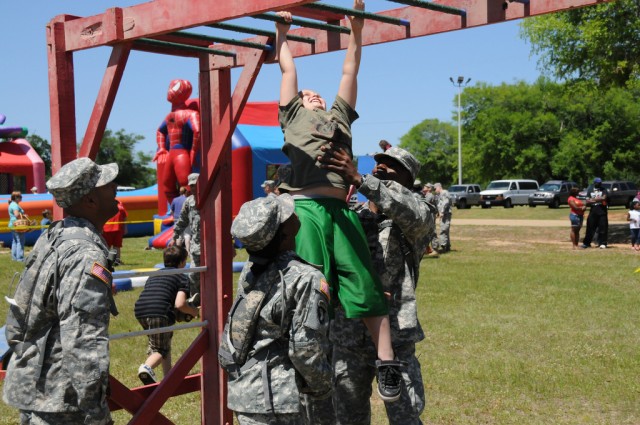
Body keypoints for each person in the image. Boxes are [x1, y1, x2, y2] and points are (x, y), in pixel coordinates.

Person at [275, 1, 404, 401]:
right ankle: (305, 364)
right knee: (311, 287)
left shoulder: (340, 118)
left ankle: (387, 363)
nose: (311, 93)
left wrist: (357, 29)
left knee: (363, 283)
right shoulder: (292, 114)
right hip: (306, 209)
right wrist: (281, 33)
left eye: (316, 93)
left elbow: (350, 69)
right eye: (306, 93)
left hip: (339, 210)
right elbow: (287, 68)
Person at [318, 145, 434, 424]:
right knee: (347, 417)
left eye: (392, 165)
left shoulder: (419, 211)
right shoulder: (353, 214)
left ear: (408, 178)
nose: (381, 166)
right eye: (379, 162)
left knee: (405, 416)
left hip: (396, 335)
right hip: (347, 335)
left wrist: (361, 180)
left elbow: (413, 216)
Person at [3, 157, 120, 425]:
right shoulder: (84, 254)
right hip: (63, 402)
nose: (114, 187)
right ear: (90, 200)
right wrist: (94, 409)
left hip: (36, 389)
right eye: (106, 184)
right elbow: (83, 337)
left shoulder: (54, 237)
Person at [224, 194, 331, 425]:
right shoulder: (306, 277)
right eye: (287, 215)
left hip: (245, 392)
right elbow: (305, 349)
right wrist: (324, 386)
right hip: (279, 400)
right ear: (282, 234)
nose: (294, 213)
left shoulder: (251, 269)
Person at [134, 245, 199, 385]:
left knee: (162, 342)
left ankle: (169, 377)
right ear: (182, 262)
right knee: (160, 349)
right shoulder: (181, 278)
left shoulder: (154, 275)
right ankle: (146, 367)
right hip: (159, 312)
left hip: (140, 310)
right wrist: (194, 311)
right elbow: (180, 304)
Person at [154, 79, 201, 215]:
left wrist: (193, 151)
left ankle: (191, 212)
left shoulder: (190, 114)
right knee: (167, 185)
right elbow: (160, 131)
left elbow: (197, 131)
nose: (171, 90)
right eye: (171, 86)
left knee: (186, 184)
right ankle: (176, 212)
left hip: (181, 153)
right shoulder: (170, 116)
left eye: (175, 87)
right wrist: (162, 148)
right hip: (173, 153)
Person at [172, 172, 201, 299]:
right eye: (192, 186)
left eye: (196, 185)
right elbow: (182, 220)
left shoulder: (211, 199)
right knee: (193, 275)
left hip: (212, 247)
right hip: (197, 247)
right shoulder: (189, 202)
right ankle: (196, 300)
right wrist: (175, 236)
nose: (194, 188)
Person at [581, 177, 609, 249]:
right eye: (597, 183)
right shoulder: (590, 189)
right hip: (593, 211)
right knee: (590, 227)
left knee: (603, 228)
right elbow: (587, 201)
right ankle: (586, 243)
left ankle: (603, 243)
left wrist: (593, 200)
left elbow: (604, 198)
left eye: (600, 183)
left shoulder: (604, 189)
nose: (599, 184)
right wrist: (592, 201)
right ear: (594, 183)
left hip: (602, 211)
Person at [102, 199, 128, 265]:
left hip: (118, 228)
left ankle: (117, 261)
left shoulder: (120, 203)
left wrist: (125, 228)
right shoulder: (104, 203)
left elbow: (124, 216)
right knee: (107, 246)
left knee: (117, 245)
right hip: (107, 229)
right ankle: (106, 261)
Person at [434, 182, 453, 253]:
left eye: (435, 188)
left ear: (439, 187)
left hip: (445, 214)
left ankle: (443, 246)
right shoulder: (440, 194)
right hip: (444, 213)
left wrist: (441, 212)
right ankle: (447, 246)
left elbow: (445, 202)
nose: (435, 190)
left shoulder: (444, 193)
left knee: (443, 229)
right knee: (445, 230)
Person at [7, 191, 26, 261]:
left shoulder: (11, 204)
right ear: (15, 197)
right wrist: (24, 215)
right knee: (20, 241)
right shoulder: (15, 205)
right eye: (20, 197)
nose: (21, 198)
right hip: (18, 225)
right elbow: (17, 215)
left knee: (15, 241)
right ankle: (20, 258)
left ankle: (14, 257)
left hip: (12, 224)